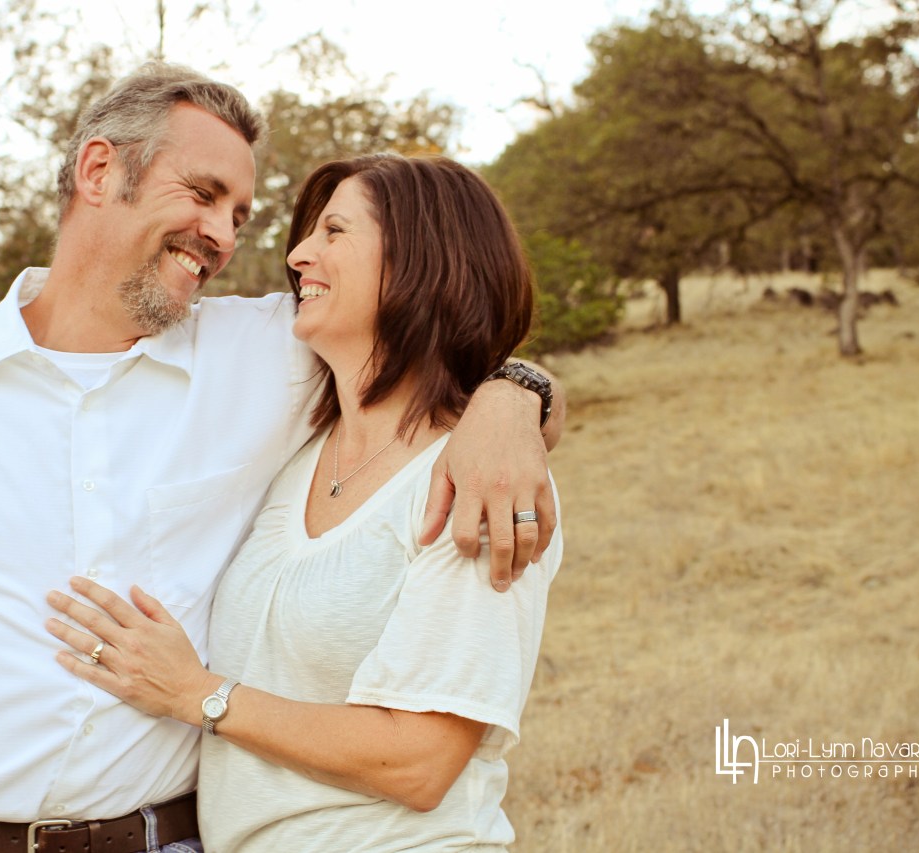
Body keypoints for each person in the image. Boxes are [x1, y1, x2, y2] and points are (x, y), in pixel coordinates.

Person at [0, 64, 563, 853]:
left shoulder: (267, 353)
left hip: (161, 838)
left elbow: (432, 335)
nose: (226, 237)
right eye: (204, 194)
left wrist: (514, 396)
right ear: (99, 170)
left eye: (240, 215)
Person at [47, 154, 563, 851]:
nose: (298, 256)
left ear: (423, 262)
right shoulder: (296, 451)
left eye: (335, 232)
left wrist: (194, 692)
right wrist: (520, 390)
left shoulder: (476, 483)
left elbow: (419, 761)